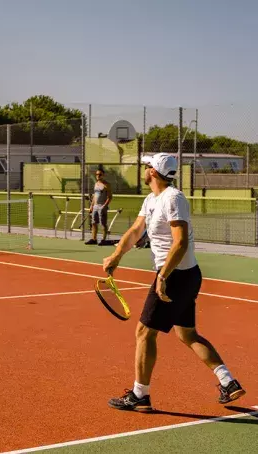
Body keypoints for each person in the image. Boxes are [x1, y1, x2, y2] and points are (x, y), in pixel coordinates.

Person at [102, 153, 244, 412]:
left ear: (154, 171)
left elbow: (181, 242)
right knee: (187, 333)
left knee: (144, 333)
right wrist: (116, 255)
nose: (144, 169)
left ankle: (139, 395)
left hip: (176, 276)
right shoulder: (151, 199)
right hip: (182, 275)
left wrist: (164, 276)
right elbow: (135, 231)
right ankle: (228, 382)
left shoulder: (173, 198)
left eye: (147, 166)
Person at [85, 169, 112, 245]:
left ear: (103, 175)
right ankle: (94, 239)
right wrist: (91, 206)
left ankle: (103, 240)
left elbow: (110, 197)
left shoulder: (107, 185)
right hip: (95, 207)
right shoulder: (96, 184)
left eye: (100, 174)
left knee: (103, 223)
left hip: (102, 206)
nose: (98, 176)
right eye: (97, 174)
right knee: (93, 223)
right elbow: (94, 196)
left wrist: (104, 206)